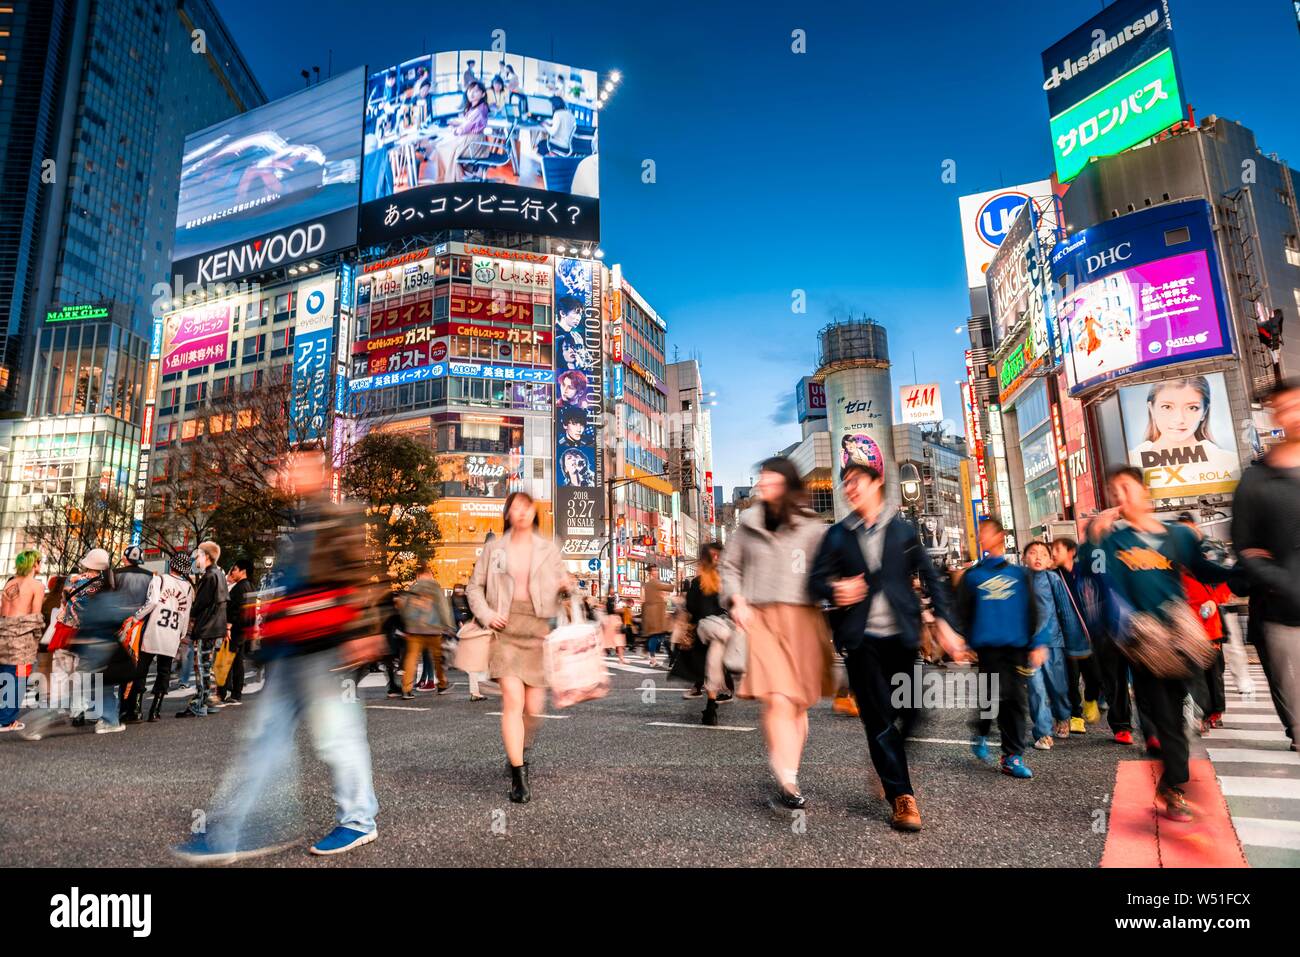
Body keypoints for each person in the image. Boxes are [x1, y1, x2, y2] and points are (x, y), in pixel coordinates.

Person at [173, 447, 385, 862]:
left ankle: (358, 820)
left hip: (324, 646)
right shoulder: (300, 523)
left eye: (304, 467)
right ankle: (243, 828)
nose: (293, 474)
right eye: (293, 467)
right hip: (291, 648)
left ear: (320, 472)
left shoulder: (337, 517)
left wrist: (364, 631)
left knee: (337, 738)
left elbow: (359, 576)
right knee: (265, 740)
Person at [809, 463, 967, 830]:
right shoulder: (837, 535)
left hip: (903, 636)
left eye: (856, 481)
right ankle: (902, 797)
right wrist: (834, 590)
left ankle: (887, 762)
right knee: (879, 719)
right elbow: (814, 581)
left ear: (877, 483)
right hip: (861, 641)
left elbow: (932, 576)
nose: (850, 488)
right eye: (844, 483)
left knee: (914, 709)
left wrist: (945, 621)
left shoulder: (903, 531)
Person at [1092, 466, 1235, 821]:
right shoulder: (1114, 542)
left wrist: (1242, 572)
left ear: (1144, 492)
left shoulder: (1177, 536)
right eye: (1114, 492)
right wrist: (1093, 539)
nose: (1120, 497)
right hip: (1142, 640)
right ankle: (1174, 786)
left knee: (1189, 706)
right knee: (1164, 714)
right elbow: (1097, 581)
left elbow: (1205, 571)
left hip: (1180, 636)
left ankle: (1170, 769)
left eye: (1125, 488)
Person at [720, 457, 833, 810]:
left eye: (769, 479)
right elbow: (730, 565)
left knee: (799, 704)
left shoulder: (813, 528)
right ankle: (787, 778)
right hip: (762, 617)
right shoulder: (748, 525)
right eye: (760, 479)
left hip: (804, 618)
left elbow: (828, 570)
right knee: (778, 698)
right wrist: (736, 599)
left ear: (786, 483)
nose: (762, 485)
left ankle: (790, 768)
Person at [467, 490, 567, 803]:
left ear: (534, 512)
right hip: (505, 629)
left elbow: (562, 582)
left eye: (527, 506)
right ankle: (518, 773)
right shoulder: (495, 549)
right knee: (513, 699)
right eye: (515, 507)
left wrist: (567, 585)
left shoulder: (547, 548)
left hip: (537, 630)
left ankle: (519, 748)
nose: (521, 511)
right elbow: (474, 587)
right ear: (508, 513)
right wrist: (486, 614)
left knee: (534, 708)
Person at [1231, 377, 1300, 752]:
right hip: (1283, 610)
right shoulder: (1256, 480)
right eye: (1287, 407)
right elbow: (1245, 548)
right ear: (1275, 414)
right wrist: (1283, 581)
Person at [956, 519, 1045, 780]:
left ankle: (1012, 756)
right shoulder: (973, 576)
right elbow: (961, 611)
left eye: (986, 532)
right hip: (987, 649)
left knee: (1014, 700)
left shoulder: (1017, 575)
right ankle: (982, 731)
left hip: (1015, 648)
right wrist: (962, 641)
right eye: (979, 533)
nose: (982, 537)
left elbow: (1030, 611)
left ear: (1000, 536)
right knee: (991, 697)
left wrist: (1036, 643)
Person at [1022, 541, 1085, 749]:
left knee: (1058, 687)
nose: (1038, 557)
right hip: (1029, 647)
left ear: (1050, 561)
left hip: (1053, 644)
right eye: (1032, 553)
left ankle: (1063, 716)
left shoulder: (1053, 579)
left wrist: (1074, 643)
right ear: (1024, 559)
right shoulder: (1019, 580)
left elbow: (1066, 612)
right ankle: (1043, 732)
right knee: (1036, 690)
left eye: (1043, 554)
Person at [1130, 377, 1239, 495]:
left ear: (1204, 412)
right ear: (1152, 409)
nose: (1179, 419)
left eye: (1192, 408)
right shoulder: (1132, 461)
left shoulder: (1231, 462)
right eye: (1167, 407)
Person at [1175, 514, 1232, 735]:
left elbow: (1226, 582)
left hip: (1211, 628)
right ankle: (1201, 715)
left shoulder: (1210, 551)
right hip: (1189, 630)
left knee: (1214, 674)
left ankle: (1215, 712)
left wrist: (1215, 600)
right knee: (1195, 675)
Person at [127, 552, 196, 723]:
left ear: (171, 565)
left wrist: (135, 617)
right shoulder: (188, 588)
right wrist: (181, 634)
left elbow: (152, 602)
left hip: (154, 630)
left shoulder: (160, 579)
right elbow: (186, 614)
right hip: (172, 633)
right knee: (164, 672)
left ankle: (136, 709)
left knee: (141, 670)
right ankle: (155, 711)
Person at [1049, 538, 1105, 732]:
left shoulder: (1085, 571)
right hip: (1065, 636)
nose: (1053, 553)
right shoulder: (1053, 575)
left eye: (1057, 549)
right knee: (1070, 681)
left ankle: (1090, 699)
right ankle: (1075, 715)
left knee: (1095, 677)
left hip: (1089, 634)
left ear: (1071, 551)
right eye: (1052, 550)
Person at [682, 543, 734, 725]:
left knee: (710, 665)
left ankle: (711, 707)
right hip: (722, 627)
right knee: (715, 663)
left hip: (703, 630)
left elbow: (690, 607)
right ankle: (711, 705)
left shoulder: (697, 582)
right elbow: (730, 604)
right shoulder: (724, 581)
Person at [178, 540, 228, 718]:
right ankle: (209, 701)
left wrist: (190, 615)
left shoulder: (209, 576)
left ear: (206, 556)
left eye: (198, 554)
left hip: (206, 627)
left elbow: (200, 604)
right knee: (208, 666)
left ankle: (199, 703)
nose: (196, 558)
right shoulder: (219, 574)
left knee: (202, 666)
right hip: (216, 627)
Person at [0, 550, 46, 735]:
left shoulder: (10, 583)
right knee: (18, 677)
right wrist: (37, 638)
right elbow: (35, 616)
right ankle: (6, 720)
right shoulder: (36, 585)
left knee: (4, 674)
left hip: (3, 633)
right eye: (39, 562)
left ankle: (5, 716)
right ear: (34, 564)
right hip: (21, 638)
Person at [396, 568, 455, 698]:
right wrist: (448, 626)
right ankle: (442, 684)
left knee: (411, 658)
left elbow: (404, 608)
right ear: (428, 575)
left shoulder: (412, 589)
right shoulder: (435, 588)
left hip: (414, 629)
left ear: (418, 576)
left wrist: (405, 625)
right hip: (433, 628)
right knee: (438, 658)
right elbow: (443, 607)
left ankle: (406, 688)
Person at [114, 546, 156, 723]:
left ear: (125, 558)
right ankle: (135, 708)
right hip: (140, 627)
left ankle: (120, 708)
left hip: (119, 625)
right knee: (138, 668)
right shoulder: (149, 576)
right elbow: (152, 601)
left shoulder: (115, 574)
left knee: (119, 667)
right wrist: (138, 616)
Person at [431, 80, 490, 183]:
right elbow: (470, 123)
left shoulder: (478, 110)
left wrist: (452, 129)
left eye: (475, 91)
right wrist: (456, 123)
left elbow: (463, 129)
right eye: (470, 90)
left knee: (442, 148)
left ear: (483, 94)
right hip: (474, 139)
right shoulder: (480, 107)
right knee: (443, 146)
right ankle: (456, 176)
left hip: (473, 143)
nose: (471, 93)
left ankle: (451, 179)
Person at [219, 558, 254, 705]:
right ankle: (235, 693)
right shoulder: (249, 586)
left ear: (242, 571)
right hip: (242, 630)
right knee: (237, 662)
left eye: (235, 569)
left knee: (225, 661)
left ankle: (221, 693)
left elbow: (237, 610)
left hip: (235, 629)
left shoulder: (240, 587)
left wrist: (228, 626)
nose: (233, 571)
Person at [451, 582, 488, 701]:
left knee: (475, 663)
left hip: (473, 631)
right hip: (480, 632)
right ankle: (477, 691)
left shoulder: (469, 599)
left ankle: (475, 691)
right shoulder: (477, 599)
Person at [640, 579, 671, 664]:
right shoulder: (654, 602)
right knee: (657, 637)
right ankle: (653, 657)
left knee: (659, 637)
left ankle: (652, 656)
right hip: (656, 624)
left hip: (659, 624)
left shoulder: (660, 601)